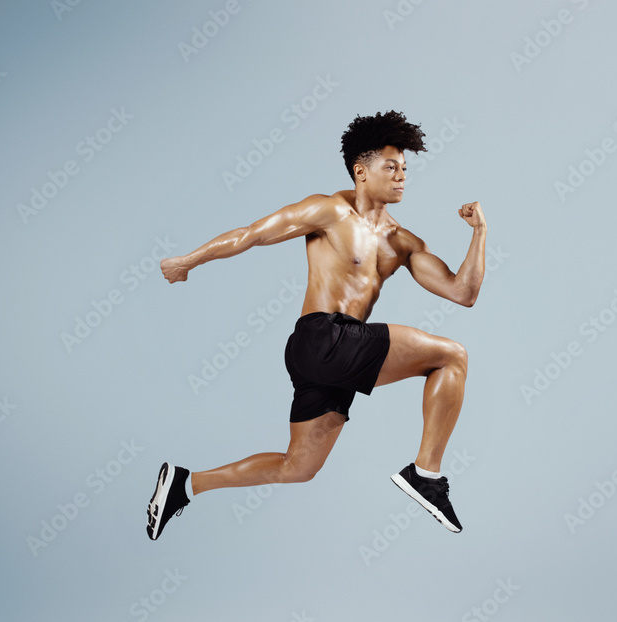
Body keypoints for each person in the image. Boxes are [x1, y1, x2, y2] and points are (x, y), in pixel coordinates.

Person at [147, 110, 486, 540]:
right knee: (452, 356)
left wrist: (480, 233)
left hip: (333, 360)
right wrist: (187, 261)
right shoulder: (329, 211)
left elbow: (463, 292)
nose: (401, 176)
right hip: (323, 336)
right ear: (361, 172)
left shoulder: (403, 242)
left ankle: (186, 484)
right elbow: (252, 233)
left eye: (404, 169)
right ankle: (426, 475)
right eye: (391, 167)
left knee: (298, 467)